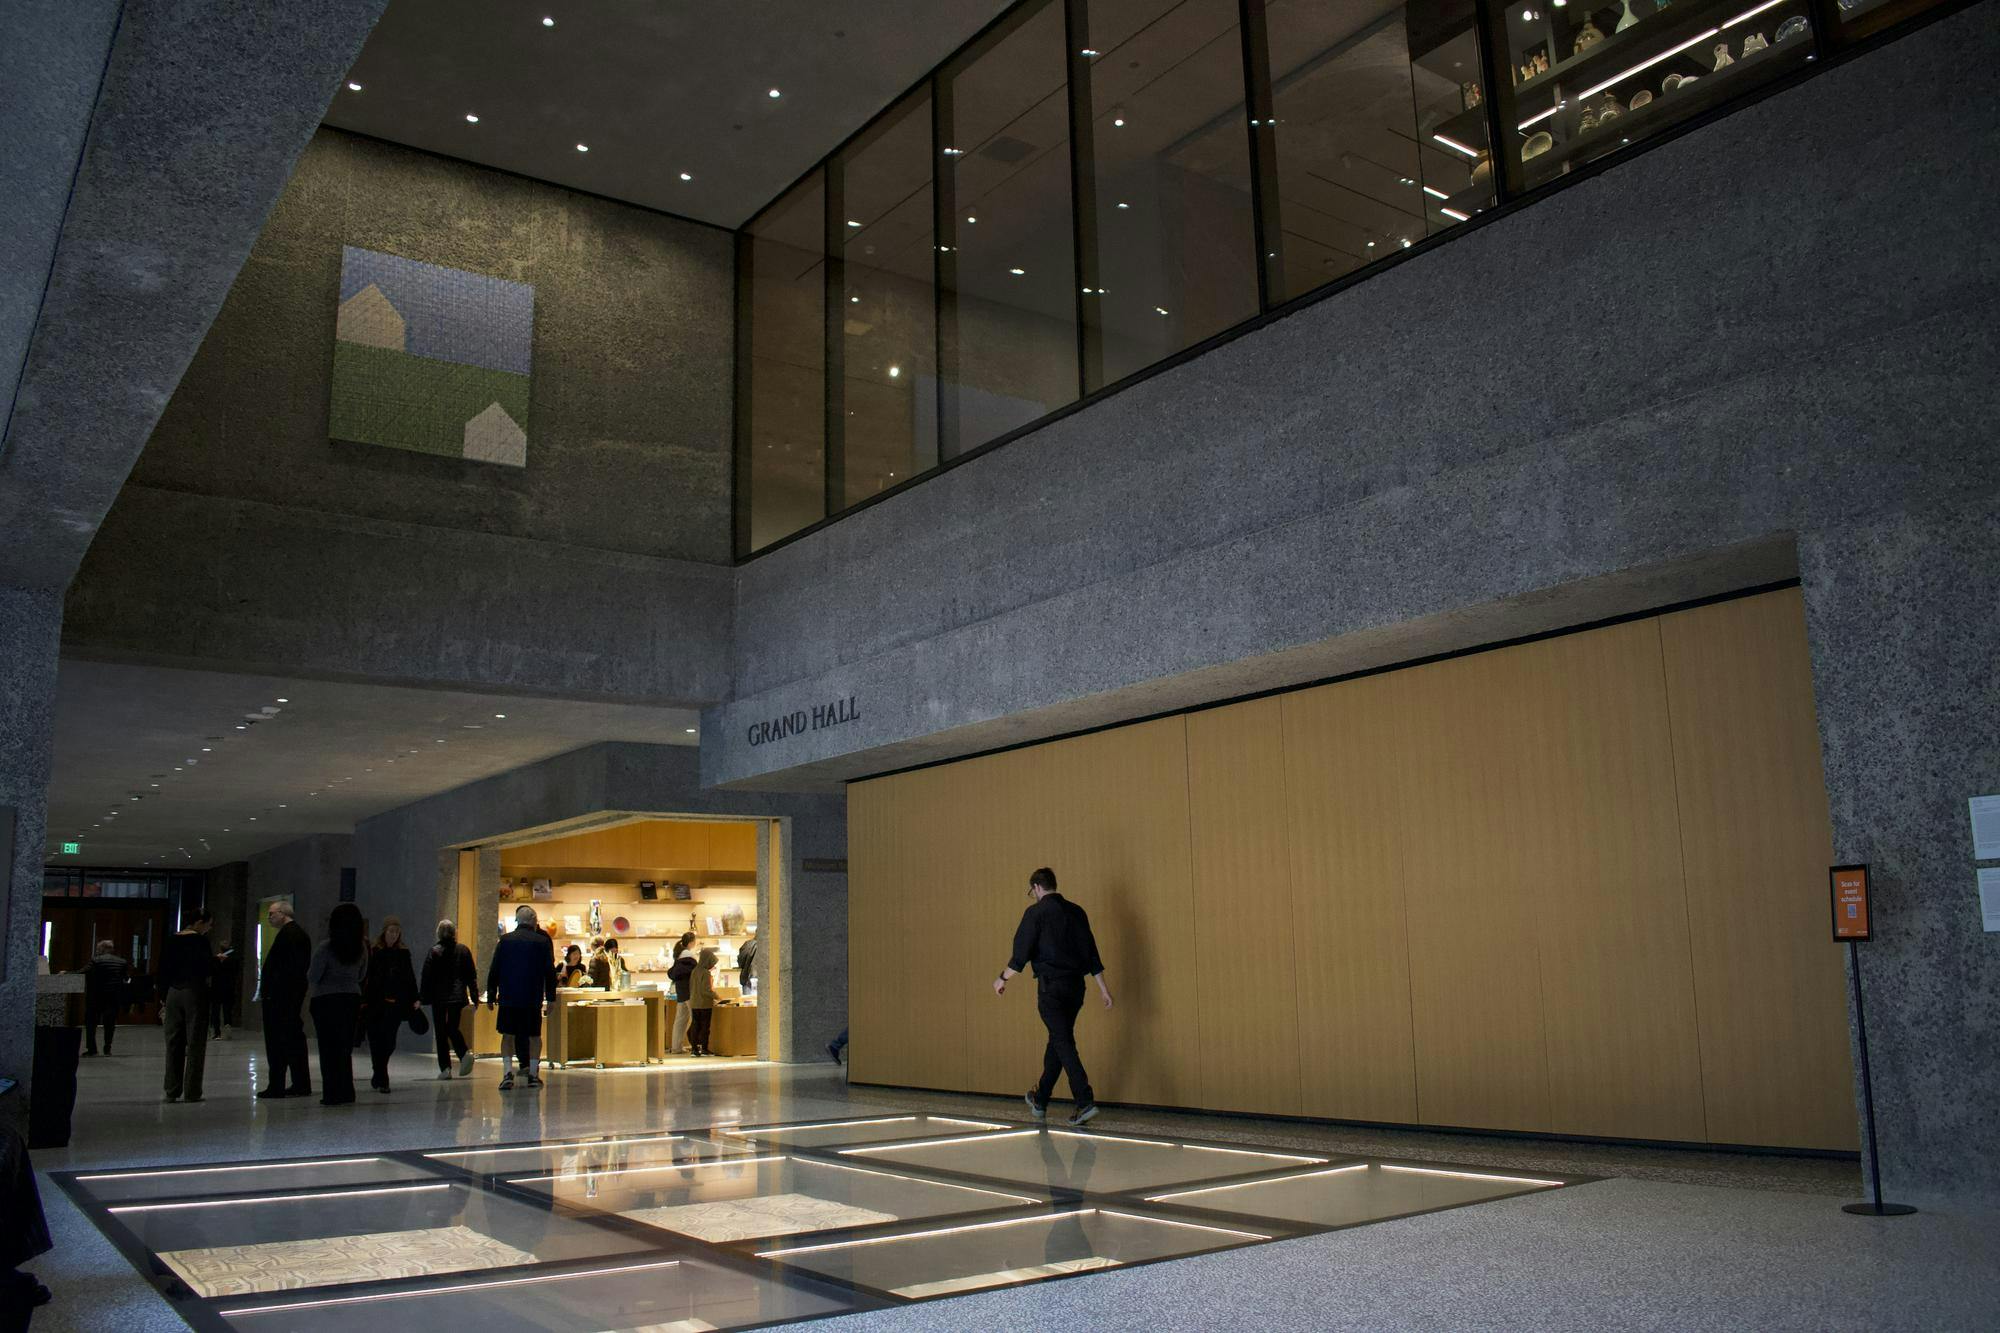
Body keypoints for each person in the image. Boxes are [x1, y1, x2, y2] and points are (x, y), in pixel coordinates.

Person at [994, 867, 1113, 1127]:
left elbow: (1020, 956)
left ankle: (1085, 1101)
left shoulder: (1035, 913)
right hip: (1076, 989)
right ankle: (1040, 1099)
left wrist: (1002, 979)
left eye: (1031, 891)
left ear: (1037, 887)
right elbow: (1092, 954)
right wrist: (1103, 989)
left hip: (1051, 990)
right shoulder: (1077, 911)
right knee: (1059, 1041)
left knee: (1063, 1042)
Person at [485, 905, 556, 1090]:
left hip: (508, 996)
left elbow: (495, 969)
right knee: (534, 1036)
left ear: (517, 921)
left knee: (507, 1035)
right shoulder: (541, 942)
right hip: (532, 997)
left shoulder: (505, 941)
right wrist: (551, 997)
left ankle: (507, 1072)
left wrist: (491, 993)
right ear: (533, 921)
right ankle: (533, 1074)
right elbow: (549, 973)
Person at [308, 903, 368, 1106]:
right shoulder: (361, 948)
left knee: (328, 1049)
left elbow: (313, 975)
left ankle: (332, 1092)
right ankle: (346, 1091)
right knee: (344, 1048)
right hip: (351, 999)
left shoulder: (326, 947)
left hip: (326, 1000)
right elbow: (361, 975)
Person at [158, 908, 214, 1103]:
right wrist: (218, 961)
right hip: (194, 992)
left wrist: (162, 996)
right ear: (199, 923)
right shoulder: (200, 941)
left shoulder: (172, 939)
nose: (209, 928)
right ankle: (192, 1091)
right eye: (208, 924)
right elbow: (206, 967)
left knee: (173, 1042)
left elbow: (162, 968)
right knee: (195, 1042)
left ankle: (171, 1090)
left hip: (173, 991)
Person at [258, 901, 312, 1099]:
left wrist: (272, 992)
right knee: (292, 1039)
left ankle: (278, 1084)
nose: (269, 917)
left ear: (283, 913)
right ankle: (300, 1083)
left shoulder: (289, 935)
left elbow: (285, 969)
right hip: (289, 996)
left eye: (271, 913)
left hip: (281, 998)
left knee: (278, 1041)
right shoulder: (296, 934)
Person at [362, 916, 419, 1093]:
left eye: (396, 932)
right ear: (384, 932)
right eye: (391, 931)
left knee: (389, 1041)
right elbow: (367, 976)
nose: (394, 935)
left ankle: (379, 1072)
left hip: (395, 1004)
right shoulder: (374, 951)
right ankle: (382, 1076)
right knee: (376, 1038)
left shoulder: (403, 953)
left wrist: (415, 997)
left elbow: (409, 977)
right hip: (375, 1002)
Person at [419, 919, 479, 1080]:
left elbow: (426, 976)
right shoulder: (463, 950)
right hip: (458, 996)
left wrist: (422, 997)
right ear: (454, 933)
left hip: (438, 997)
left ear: (438, 933)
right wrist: (474, 996)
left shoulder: (434, 951)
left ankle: (445, 1068)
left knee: (440, 1031)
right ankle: (464, 1053)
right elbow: (471, 976)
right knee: (452, 1027)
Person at [81, 940, 130, 1057]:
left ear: (101, 949)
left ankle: (92, 1049)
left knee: (91, 1023)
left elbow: (83, 972)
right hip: (113, 997)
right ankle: (107, 1048)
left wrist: (66, 973)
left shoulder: (95, 960)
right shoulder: (122, 962)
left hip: (96, 996)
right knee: (110, 1023)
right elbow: (126, 978)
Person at [667, 938, 697, 1054]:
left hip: (681, 992)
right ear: (691, 942)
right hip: (690, 991)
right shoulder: (690, 959)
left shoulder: (678, 958)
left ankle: (676, 1047)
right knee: (695, 1018)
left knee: (680, 1020)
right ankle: (695, 1045)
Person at [687, 947, 719, 1056]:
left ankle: (694, 1049)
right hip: (704, 1004)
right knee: (705, 1027)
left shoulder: (694, 971)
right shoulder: (706, 973)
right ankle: (704, 1049)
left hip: (694, 1003)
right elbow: (706, 990)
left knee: (695, 1025)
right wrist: (717, 996)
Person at [209, 940, 241, 1039]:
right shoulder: (234, 959)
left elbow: (211, 971)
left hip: (216, 988)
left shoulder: (216, 959)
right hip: (228, 988)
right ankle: (227, 1030)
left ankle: (216, 1033)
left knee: (216, 1011)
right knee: (227, 1010)